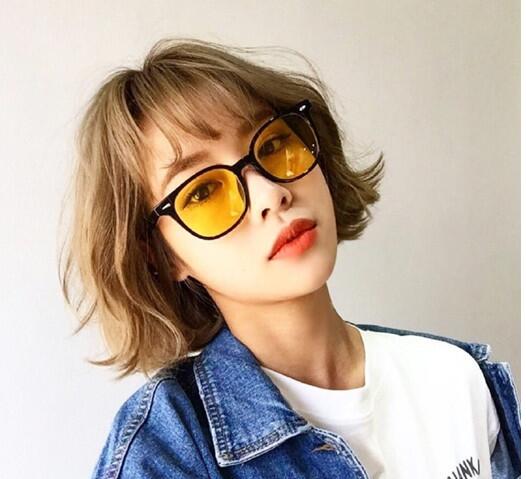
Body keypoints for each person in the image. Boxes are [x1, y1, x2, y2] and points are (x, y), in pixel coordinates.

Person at [59, 37, 520, 478]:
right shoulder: (165, 451)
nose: (271, 193)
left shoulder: (454, 378)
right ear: (161, 255)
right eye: (203, 191)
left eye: (273, 144)